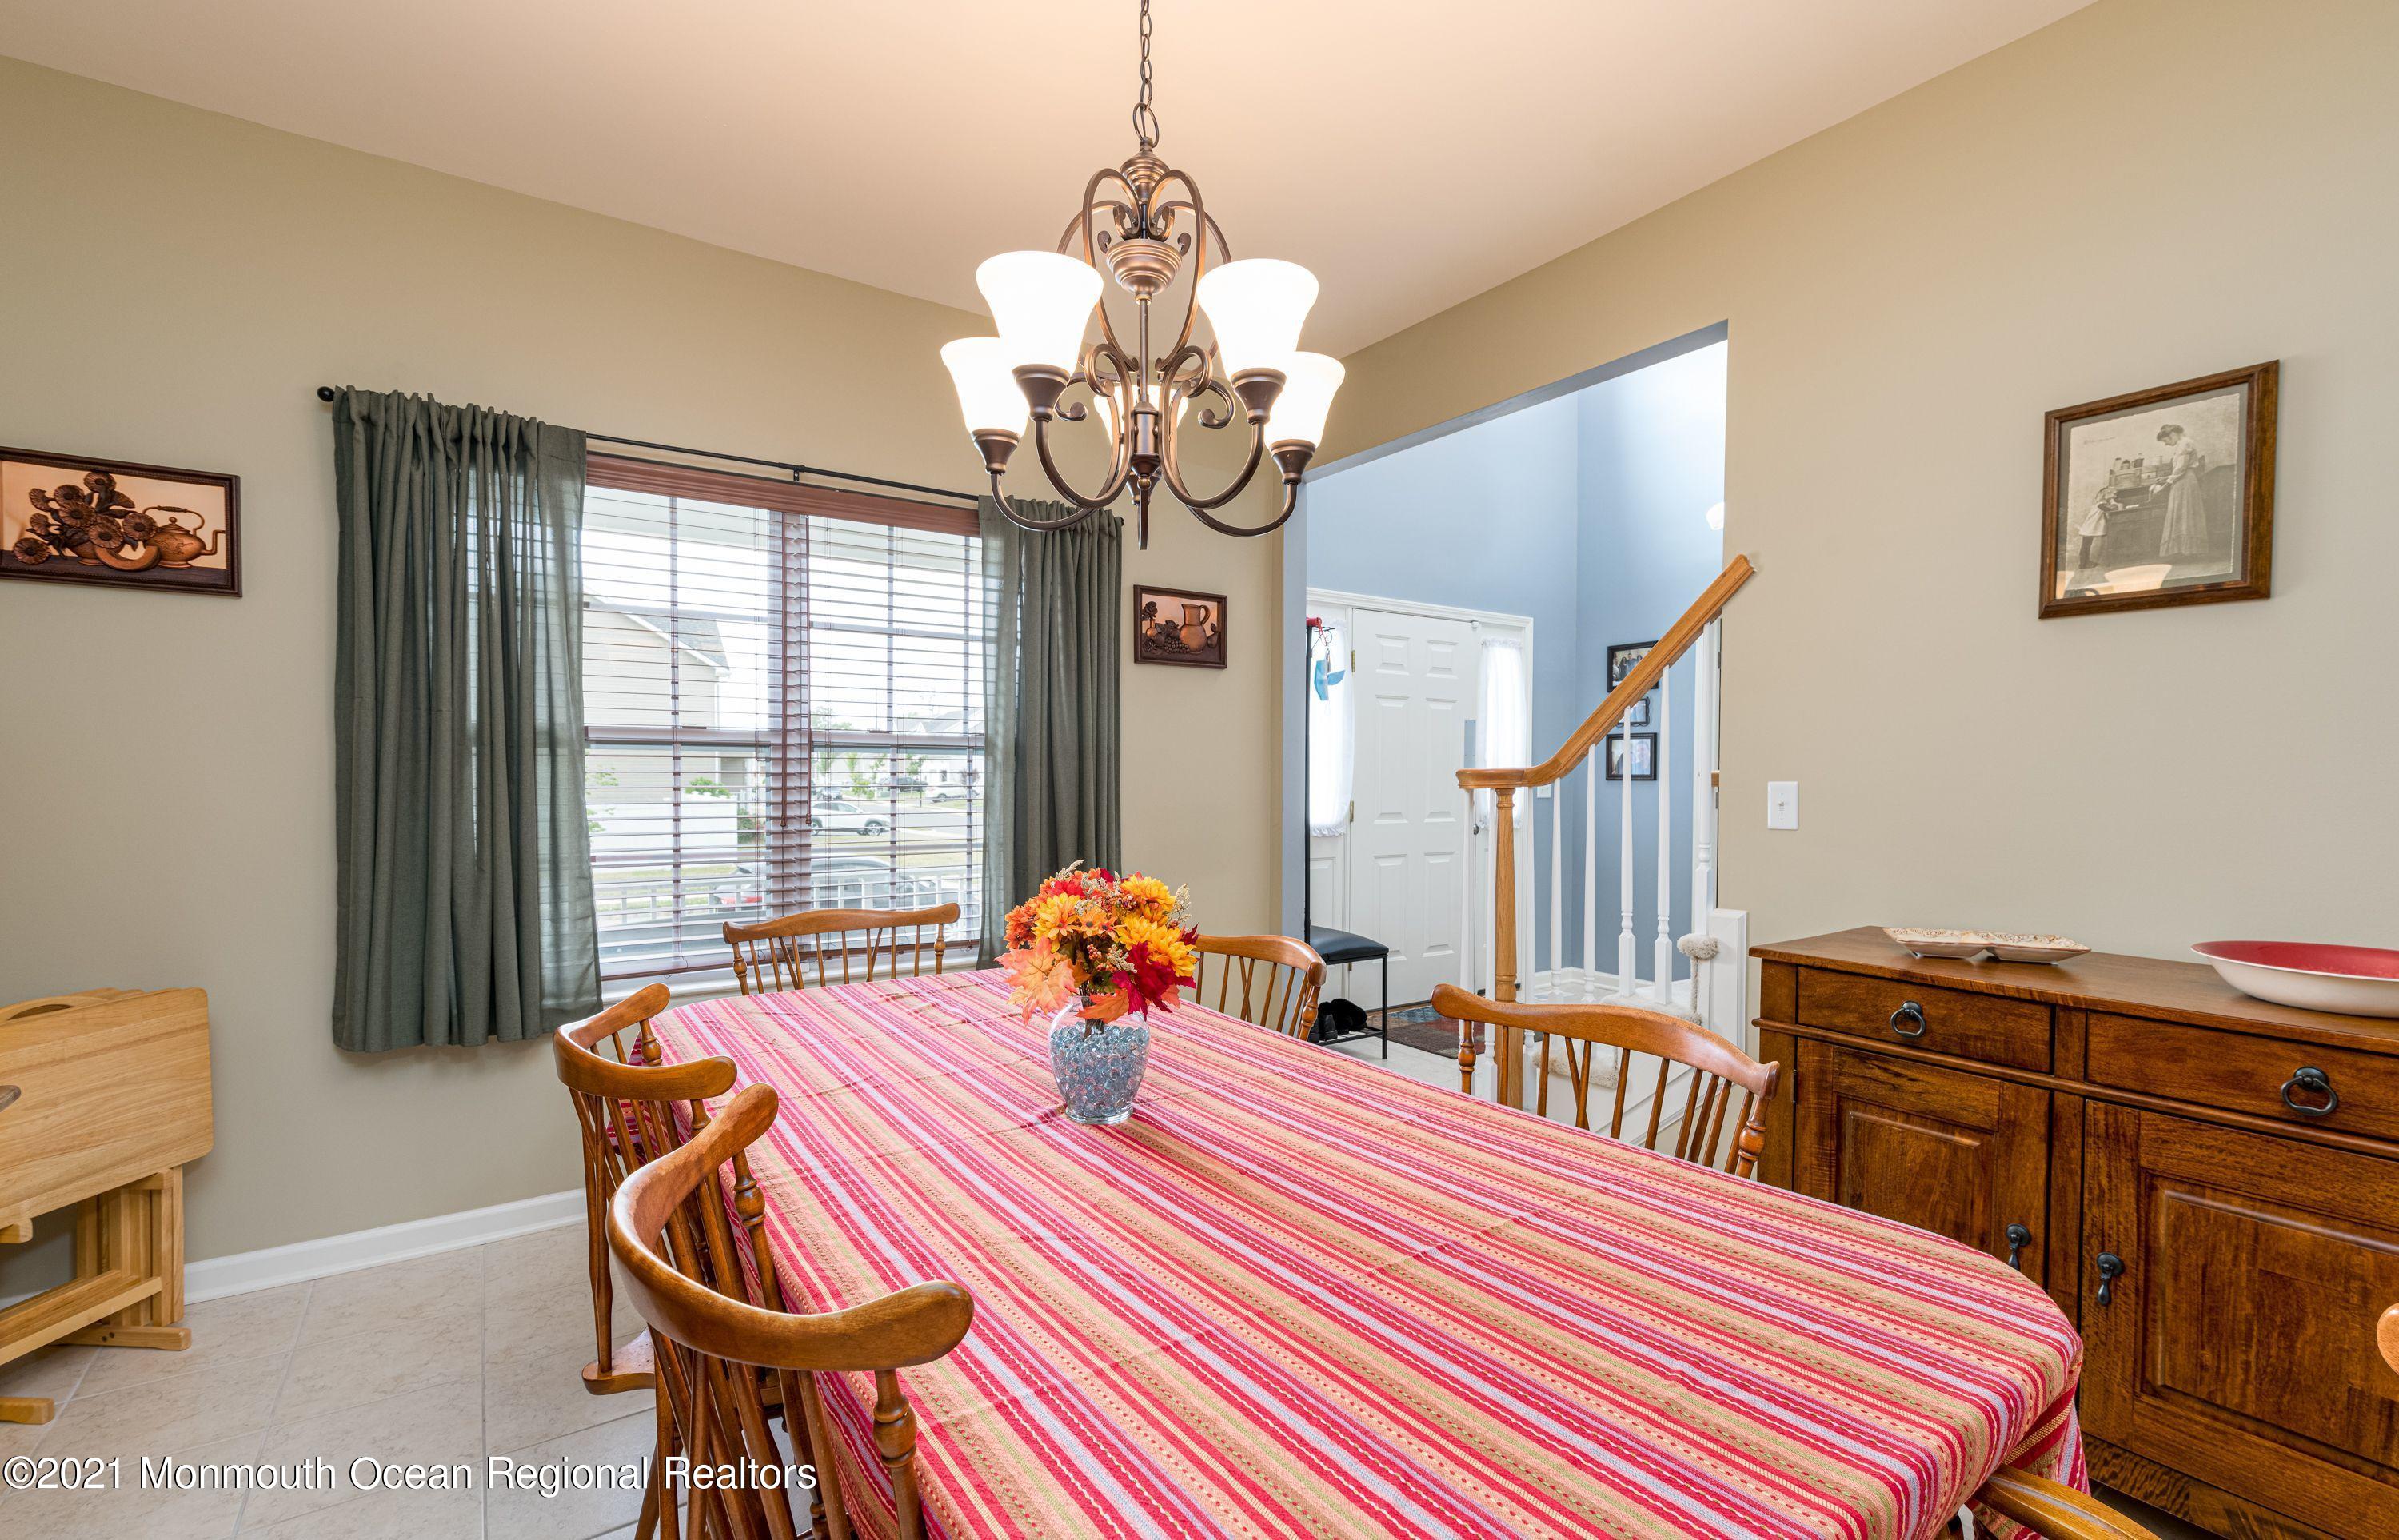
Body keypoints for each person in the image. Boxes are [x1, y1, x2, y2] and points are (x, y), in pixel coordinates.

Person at [2154, 423, 2209, 560]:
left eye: (2166, 441)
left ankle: (2190, 551)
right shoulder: (2182, 444)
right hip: (2182, 481)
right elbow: (2180, 468)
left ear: (2172, 435)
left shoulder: (2185, 443)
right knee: (2182, 513)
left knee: (2186, 512)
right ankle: (2184, 550)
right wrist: (2167, 478)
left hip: (2186, 482)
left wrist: (2166, 485)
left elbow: (2181, 468)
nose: (2166, 445)